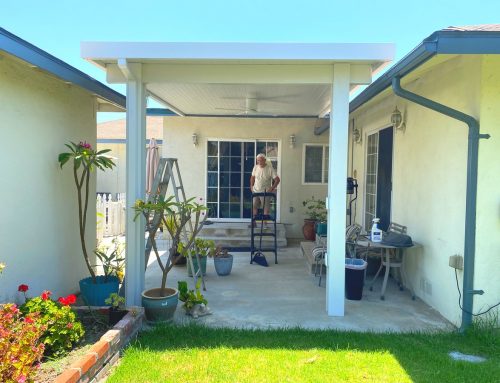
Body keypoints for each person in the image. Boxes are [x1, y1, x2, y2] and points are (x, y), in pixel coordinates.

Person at [250, 153, 280, 220]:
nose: (259, 162)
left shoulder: (270, 168)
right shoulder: (255, 167)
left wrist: (272, 188)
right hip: (255, 190)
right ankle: (253, 223)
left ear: (264, 160)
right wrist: (251, 186)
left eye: (261, 160)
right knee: (254, 206)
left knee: (265, 208)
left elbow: (277, 180)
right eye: (258, 160)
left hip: (265, 192)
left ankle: (265, 225)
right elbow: (252, 177)